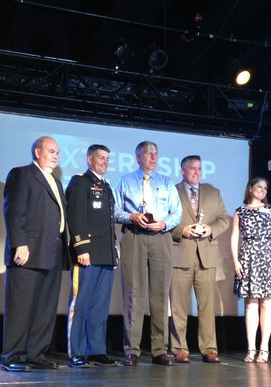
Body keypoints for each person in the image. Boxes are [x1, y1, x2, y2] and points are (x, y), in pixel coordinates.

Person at [1, 136, 70, 372]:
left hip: (52, 252)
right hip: (28, 252)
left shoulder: (57, 182)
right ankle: (12, 356)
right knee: (21, 307)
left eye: (57, 153)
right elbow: (14, 212)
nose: (55, 156)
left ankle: (35, 354)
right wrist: (19, 243)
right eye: (51, 151)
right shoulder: (22, 174)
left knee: (45, 308)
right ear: (38, 151)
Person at [113, 141, 182, 366]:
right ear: (138, 157)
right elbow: (113, 209)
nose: (153, 157)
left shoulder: (166, 182)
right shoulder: (124, 181)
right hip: (134, 236)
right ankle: (132, 349)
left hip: (161, 238)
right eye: (148, 153)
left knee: (160, 294)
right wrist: (131, 217)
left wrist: (164, 224)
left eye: (156, 154)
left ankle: (159, 350)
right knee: (134, 292)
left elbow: (177, 212)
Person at [170, 155, 230, 364]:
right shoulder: (172, 191)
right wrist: (181, 230)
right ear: (183, 170)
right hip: (180, 255)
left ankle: (209, 348)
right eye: (192, 168)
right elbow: (164, 219)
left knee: (206, 307)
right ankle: (179, 348)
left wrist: (210, 229)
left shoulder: (213, 193)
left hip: (206, 256)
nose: (196, 172)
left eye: (199, 169)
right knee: (178, 306)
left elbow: (225, 219)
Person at [65, 144, 119, 368]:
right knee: (81, 303)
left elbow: (107, 223)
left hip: (105, 254)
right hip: (87, 253)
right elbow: (76, 215)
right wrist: (81, 248)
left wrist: (114, 251)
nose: (105, 162)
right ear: (89, 159)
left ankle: (96, 351)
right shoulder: (80, 182)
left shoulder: (106, 186)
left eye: (107, 158)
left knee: (99, 306)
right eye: (100, 158)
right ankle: (76, 351)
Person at [231, 177, 271, 363]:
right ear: (250, 189)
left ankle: (264, 348)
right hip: (247, 258)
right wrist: (235, 262)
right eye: (259, 187)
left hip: (267, 258)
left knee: (267, 304)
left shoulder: (270, 210)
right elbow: (234, 238)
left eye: (265, 188)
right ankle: (251, 348)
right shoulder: (240, 211)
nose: (262, 190)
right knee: (250, 304)